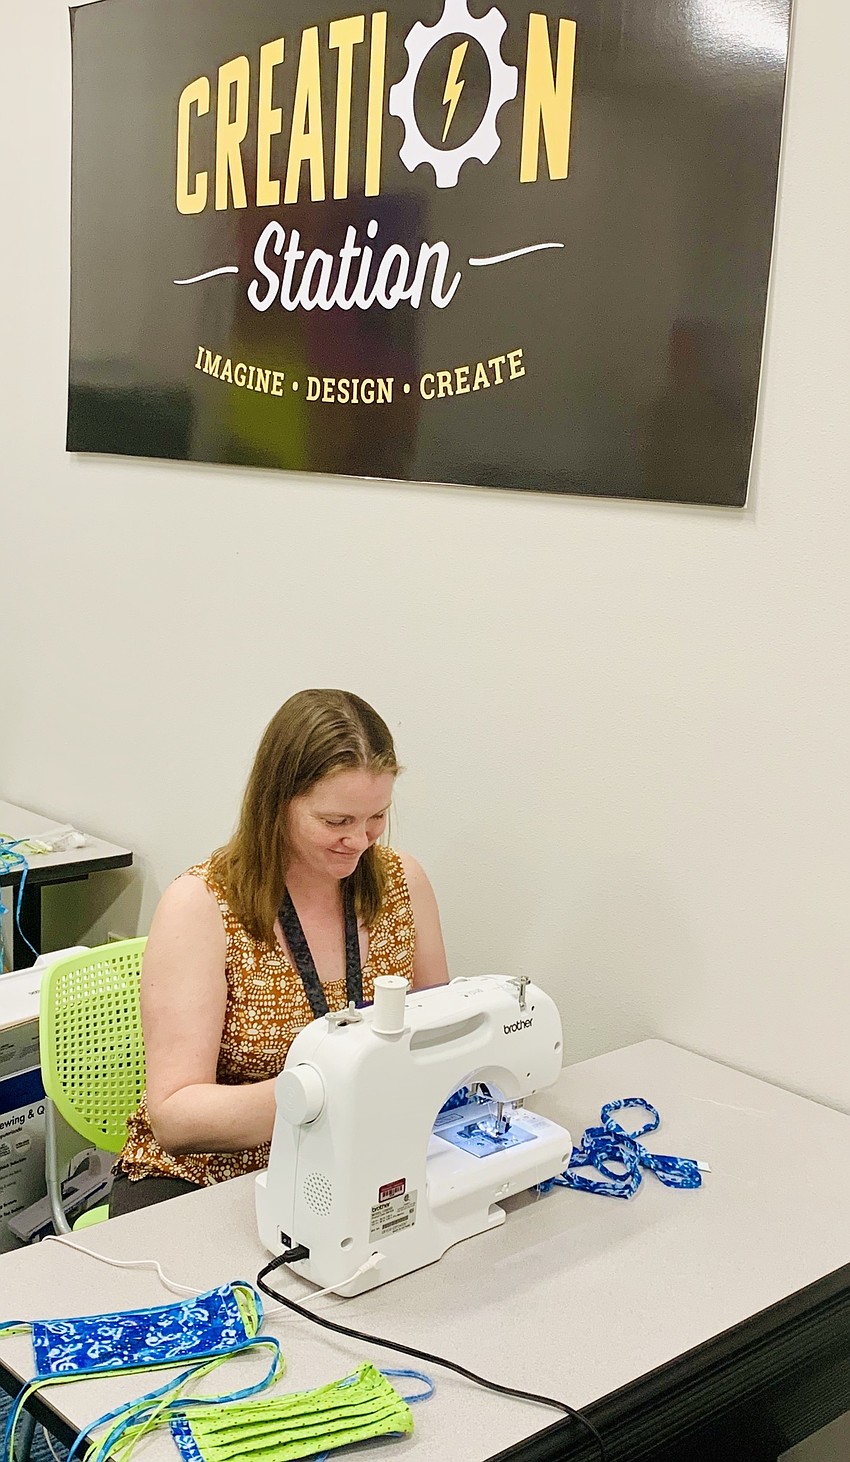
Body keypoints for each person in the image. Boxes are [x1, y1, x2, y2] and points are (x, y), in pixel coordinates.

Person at [111, 689, 449, 1215]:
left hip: (353, 1162)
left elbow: (441, 1033)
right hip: (213, 1178)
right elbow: (175, 1116)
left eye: (376, 817)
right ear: (276, 803)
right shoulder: (201, 906)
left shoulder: (403, 882)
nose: (360, 841)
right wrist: (337, 1089)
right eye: (335, 822)